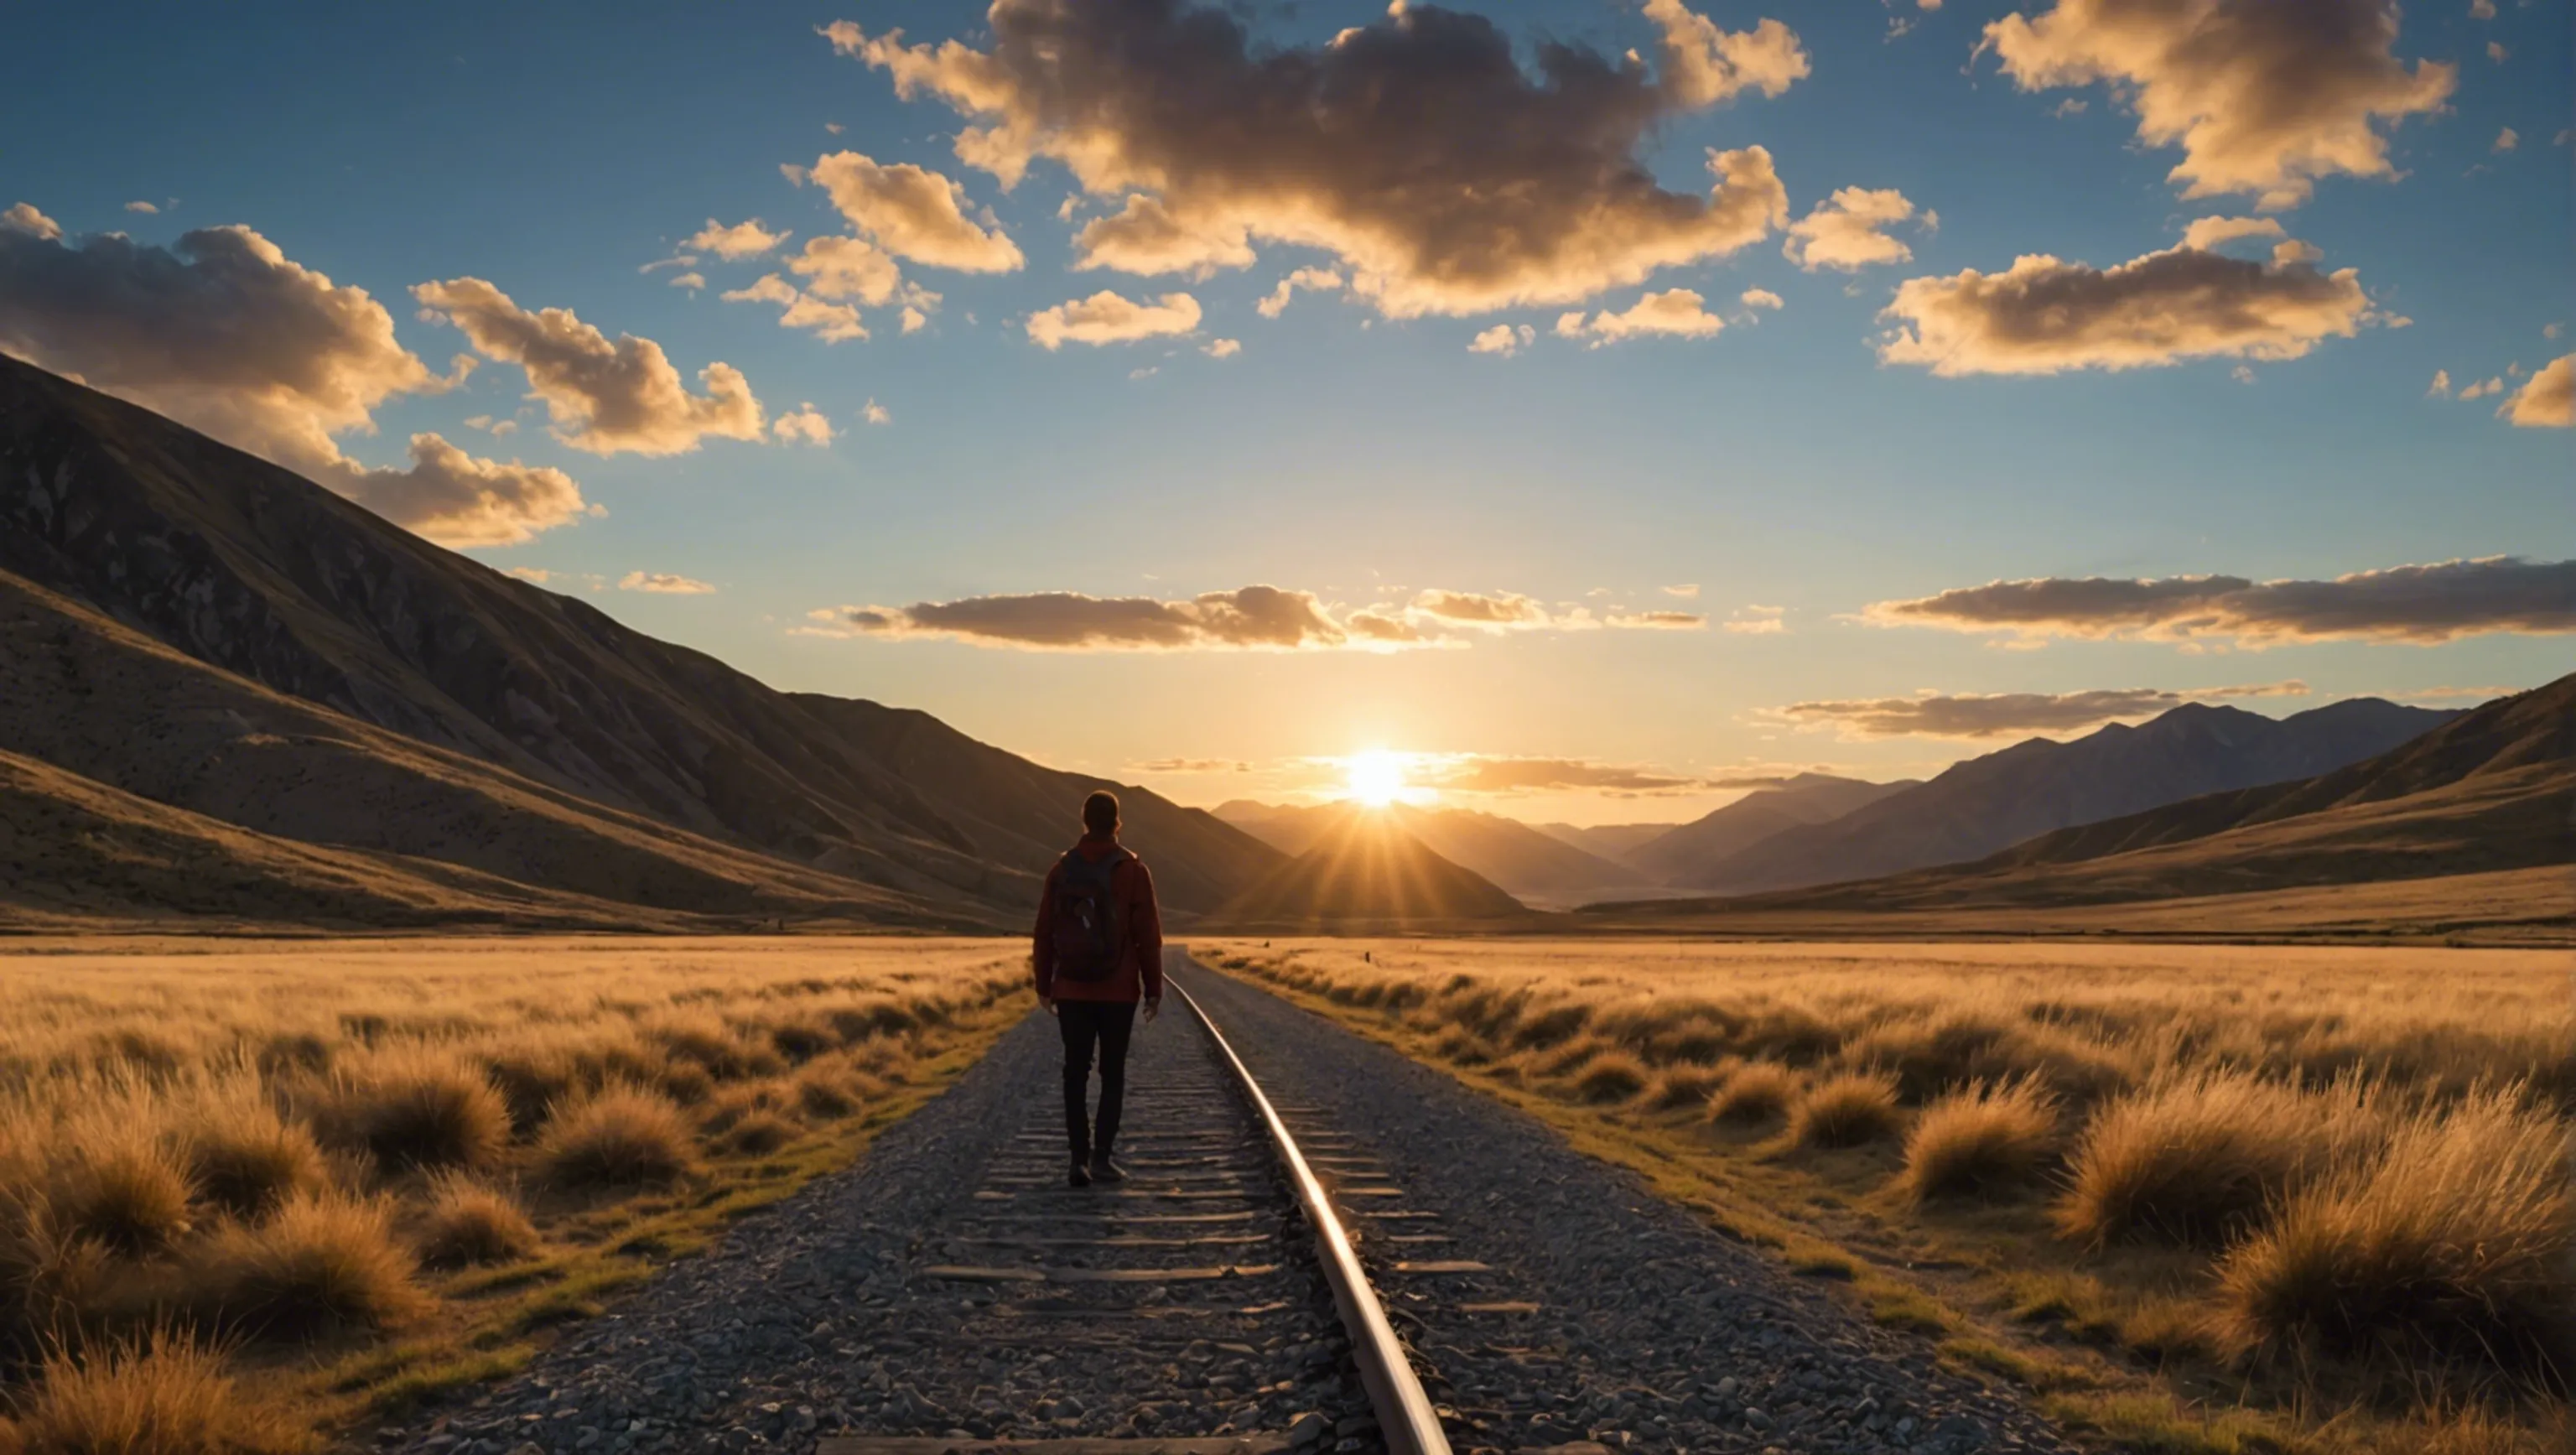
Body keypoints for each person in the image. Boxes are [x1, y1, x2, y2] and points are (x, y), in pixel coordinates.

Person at [1031, 789, 1163, 1187]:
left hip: (1071, 989)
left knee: (1075, 1072)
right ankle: (1102, 1158)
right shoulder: (1134, 871)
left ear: (1084, 821)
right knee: (1112, 1073)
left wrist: (1044, 984)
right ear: (1117, 822)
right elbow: (1147, 936)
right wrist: (1153, 987)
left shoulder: (1061, 870)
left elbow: (1044, 933)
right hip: (1118, 991)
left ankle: (1077, 1161)